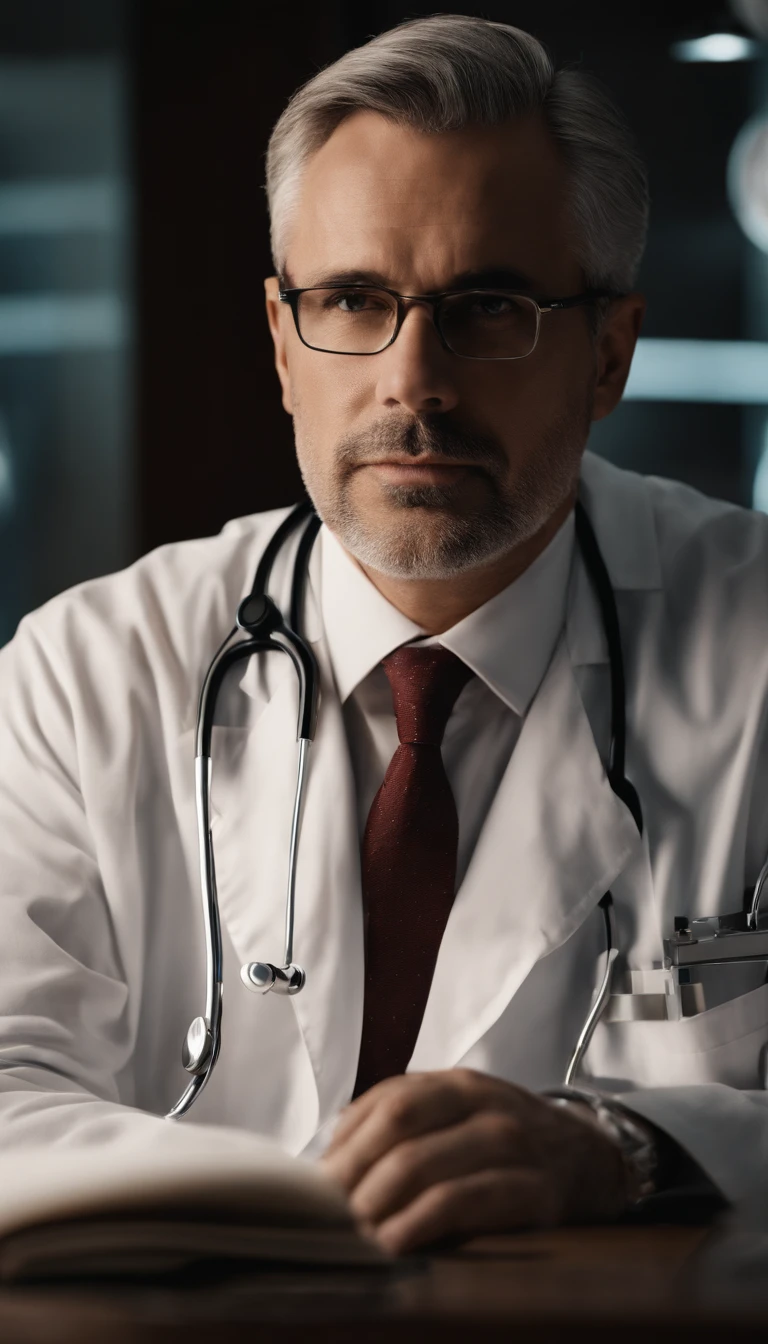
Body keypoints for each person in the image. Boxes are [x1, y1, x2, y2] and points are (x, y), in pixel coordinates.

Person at [1, 12, 768, 1256]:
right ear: (282, 346)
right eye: (354, 301)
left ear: (609, 355)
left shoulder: (759, 648)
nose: (414, 381)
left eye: (491, 306)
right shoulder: (82, 673)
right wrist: (293, 1210)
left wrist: (628, 1150)